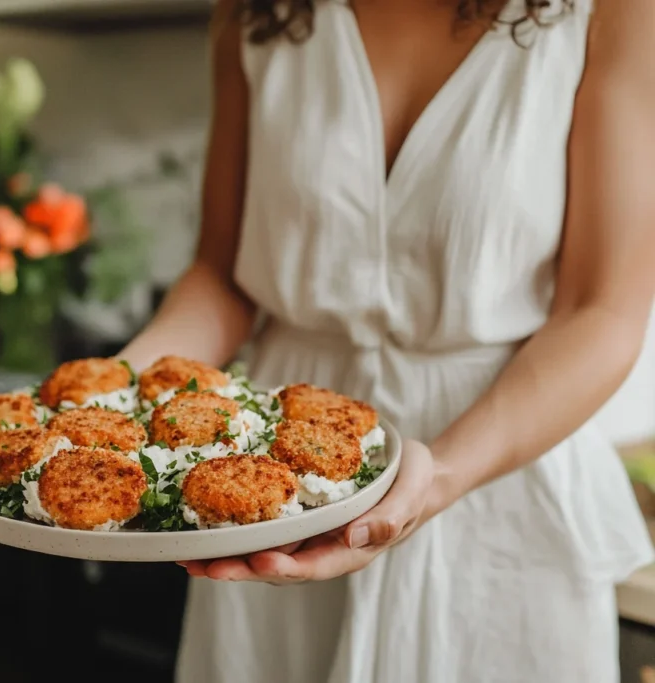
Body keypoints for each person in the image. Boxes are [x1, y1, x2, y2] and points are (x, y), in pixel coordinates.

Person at [117, 0, 655, 681]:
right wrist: (110, 395)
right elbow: (223, 278)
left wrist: (440, 476)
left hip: (500, 489)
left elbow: (601, 312)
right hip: (278, 504)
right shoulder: (258, 9)